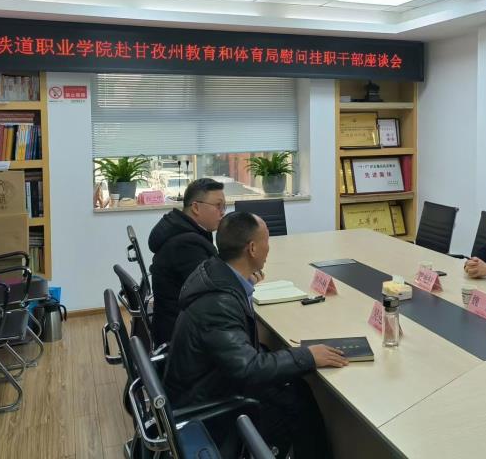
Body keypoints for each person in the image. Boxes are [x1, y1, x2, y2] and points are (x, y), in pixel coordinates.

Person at [164, 211, 347, 459]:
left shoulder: (214, 272)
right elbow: (248, 369)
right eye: (267, 241)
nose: (269, 248)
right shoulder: (219, 302)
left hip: (205, 385)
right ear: (252, 248)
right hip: (209, 406)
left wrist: (245, 286)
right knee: (296, 402)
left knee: (295, 387)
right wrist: (308, 356)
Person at [148, 178, 225, 346]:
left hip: (178, 325)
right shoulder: (186, 245)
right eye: (218, 206)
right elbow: (213, 293)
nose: (222, 213)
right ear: (196, 207)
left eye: (224, 207)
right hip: (183, 339)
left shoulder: (182, 230)